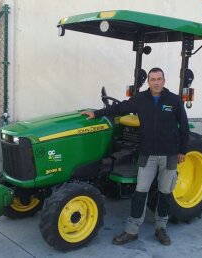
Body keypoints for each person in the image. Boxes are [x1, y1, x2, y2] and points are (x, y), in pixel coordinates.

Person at [81, 67, 189, 246]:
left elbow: (183, 127)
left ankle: (161, 229)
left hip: (169, 155)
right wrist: (96, 113)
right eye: (152, 79)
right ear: (149, 82)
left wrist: (182, 150)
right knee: (140, 192)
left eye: (159, 79)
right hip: (148, 154)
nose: (156, 82)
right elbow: (120, 107)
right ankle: (132, 231)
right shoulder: (141, 99)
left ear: (164, 80)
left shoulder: (174, 100)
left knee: (164, 192)